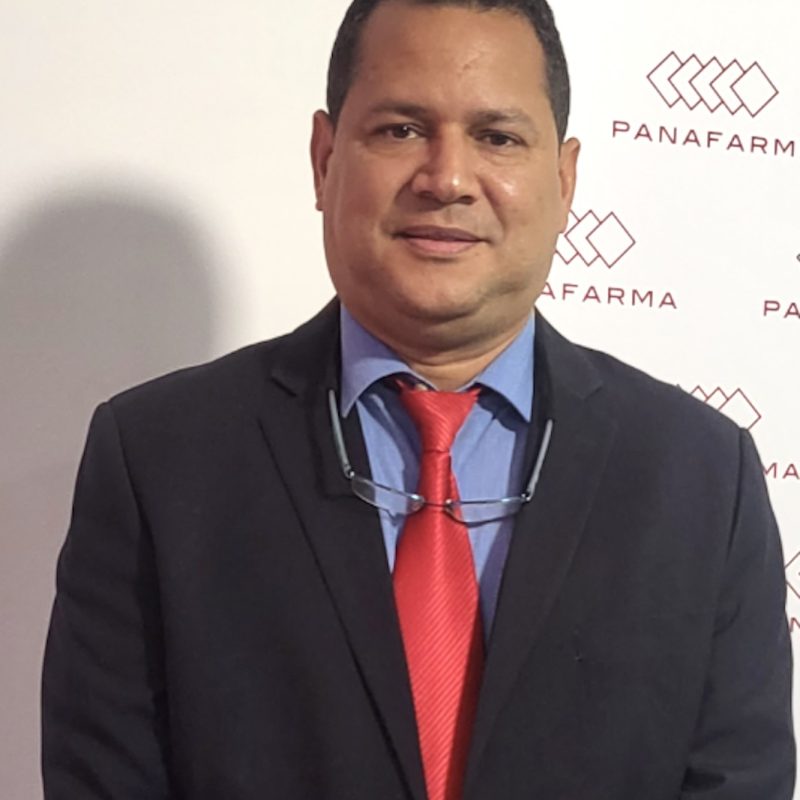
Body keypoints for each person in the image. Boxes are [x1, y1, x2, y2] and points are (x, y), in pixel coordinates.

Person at [42, 0, 794, 798]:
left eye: (497, 137)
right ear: (324, 158)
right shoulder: (158, 461)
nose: (447, 179)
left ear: (564, 178)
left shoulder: (701, 479)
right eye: (401, 129)